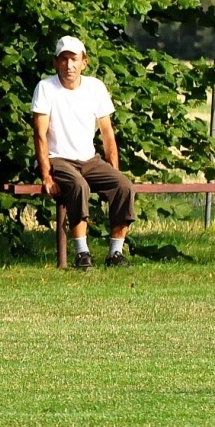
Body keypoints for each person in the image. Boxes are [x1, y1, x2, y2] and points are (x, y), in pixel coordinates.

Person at [30, 35, 135, 269]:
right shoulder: (46, 88)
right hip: (58, 159)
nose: (69, 65)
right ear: (56, 62)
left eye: (74, 59)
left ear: (84, 62)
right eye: (64, 59)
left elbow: (108, 133)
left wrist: (113, 170)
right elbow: (39, 134)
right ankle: (82, 252)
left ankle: (115, 253)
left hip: (89, 159)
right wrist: (46, 175)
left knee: (124, 186)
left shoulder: (95, 87)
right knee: (79, 186)